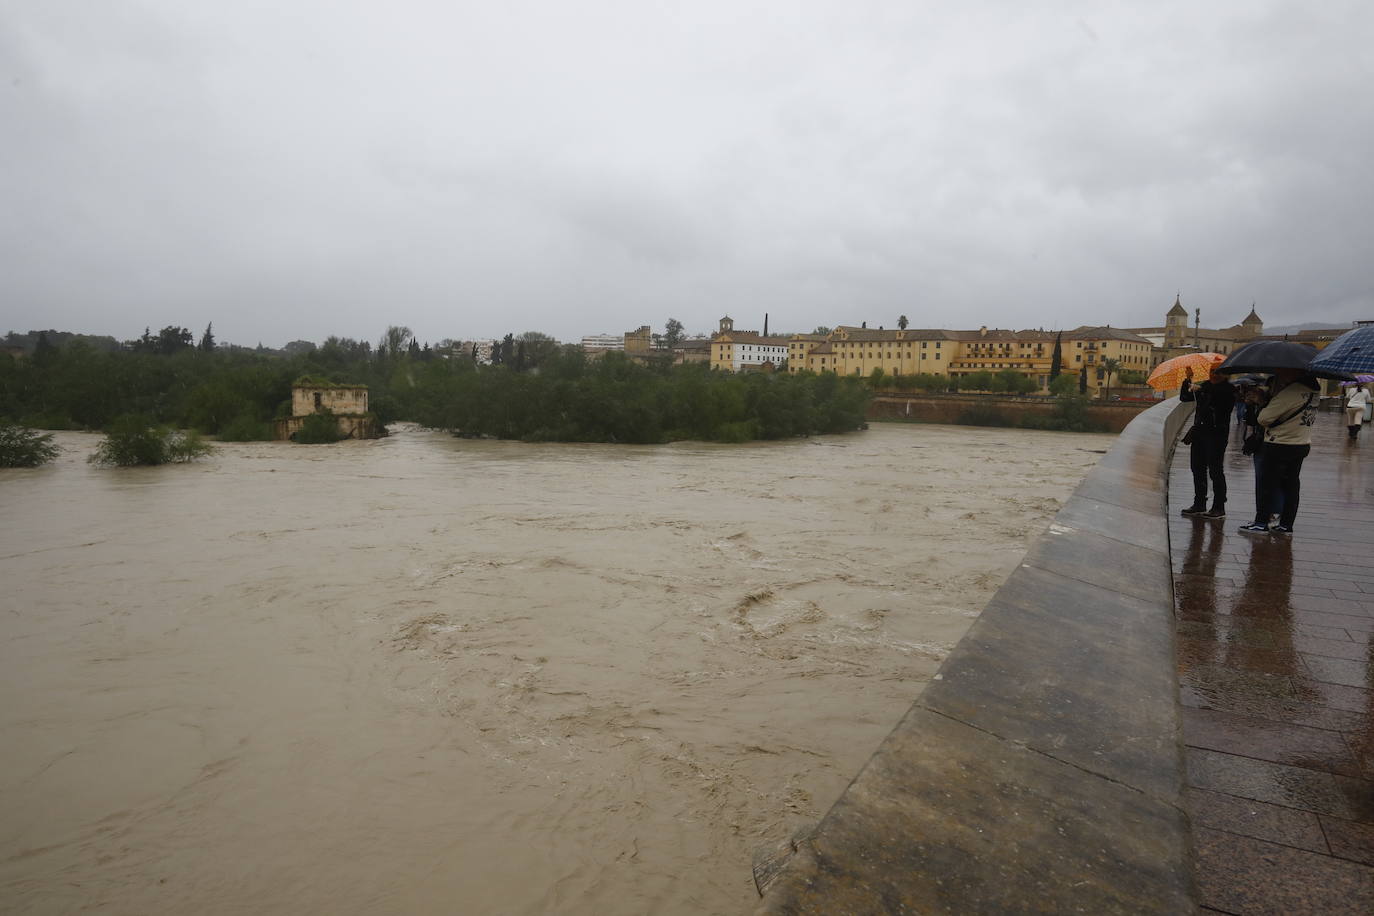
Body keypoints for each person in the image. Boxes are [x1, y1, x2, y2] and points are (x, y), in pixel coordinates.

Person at [1238, 369, 1320, 535]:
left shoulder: (1291, 392)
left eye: (1283, 372)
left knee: (1267, 485)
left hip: (1279, 444)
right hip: (1301, 443)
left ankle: (1261, 523)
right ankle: (1286, 525)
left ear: (1294, 373)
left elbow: (1264, 418)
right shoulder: (1314, 390)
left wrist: (1262, 402)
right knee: (1291, 486)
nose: (1280, 375)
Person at [1179, 366, 1236, 519]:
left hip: (1217, 435)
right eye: (1212, 372)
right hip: (1199, 433)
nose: (1214, 375)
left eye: (1218, 372)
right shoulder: (1205, 386)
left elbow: (1222, 403)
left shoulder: (1229, 389)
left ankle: (1219, 507)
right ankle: (1199, 503)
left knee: (1215, 471)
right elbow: (1185, 397)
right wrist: (1188, 380)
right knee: (1197, 468)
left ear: (1225, 375)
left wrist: (1202, 390)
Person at [1239, 382, 1282, 526]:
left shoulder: (1271, 405)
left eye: (1252, 394)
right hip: (1260, 445)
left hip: (1269, 444)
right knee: (1263, 480)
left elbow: (1263, 421)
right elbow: (1251, 423)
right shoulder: (1254, 406)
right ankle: (1268, 513)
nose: (1249, 396)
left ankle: (1267, 515)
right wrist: (1250, 406)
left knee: (1266, 481)